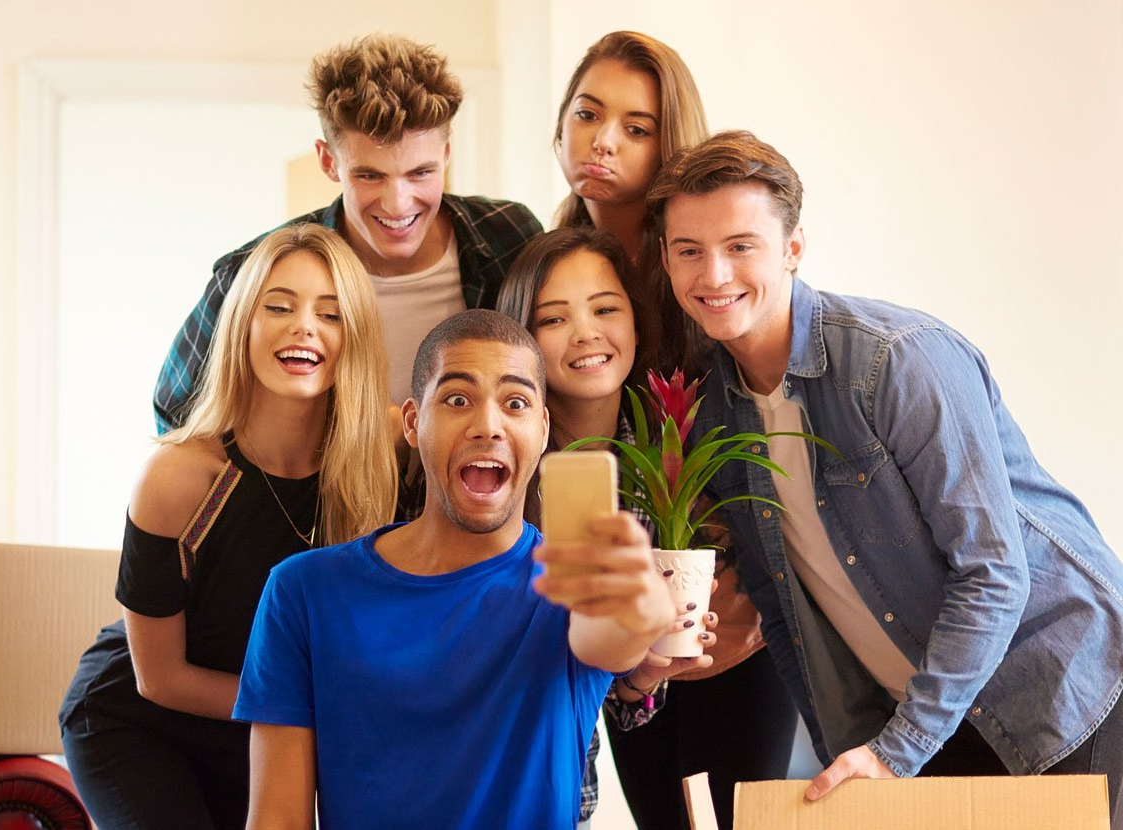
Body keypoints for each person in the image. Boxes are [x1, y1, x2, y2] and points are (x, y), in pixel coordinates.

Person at [649, 129, 1123, 828]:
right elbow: (786, 615)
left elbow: (994, 572)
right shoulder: (718, 417)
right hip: (930, 723)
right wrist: (859, 752)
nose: (713, 275)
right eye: (689, 251)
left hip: (1060, 691)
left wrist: (896, 752)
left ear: (794, 249)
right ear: (665, 258)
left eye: (741, 245)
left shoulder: (896, 362)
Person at [233, 309, 677, 830]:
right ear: (414, 422)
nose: (488, 426)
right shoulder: (303, 591)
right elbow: (276, 819)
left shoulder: (573, 584)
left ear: (542, 428)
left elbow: (610, 639)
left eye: (515, 403)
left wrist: (642, 609)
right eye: (458, 399)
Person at [59, 225, 397, 830]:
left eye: (331, 312)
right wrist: (312, 710)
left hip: (261, 727)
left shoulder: (381, 456)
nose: (304, 327)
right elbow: (158, 678)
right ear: (243, 323)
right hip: (136, 720)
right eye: (279, 306)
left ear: (357, 337)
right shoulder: (179, 476)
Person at [497, 227, 798, 830]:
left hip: (720, 678)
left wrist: (646, 671)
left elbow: (619, 692)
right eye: (552, 319)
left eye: (606, 309)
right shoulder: (503, 472)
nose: (586, 333)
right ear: (521, 340)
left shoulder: (676, 442)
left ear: (636, 319)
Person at [154, 34, 541, 431]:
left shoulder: (508, 238)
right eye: (369, 175)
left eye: (420, 173)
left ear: (445, 153)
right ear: (328, 161)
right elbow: (176, 413)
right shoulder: (253, 271)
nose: (398, 203)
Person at [553, 30, 709, 373]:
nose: (603, 141)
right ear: (562, 122)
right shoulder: (551, 255)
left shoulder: (697, 266)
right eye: (587, 114)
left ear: (668, 146)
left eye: (636, 130)